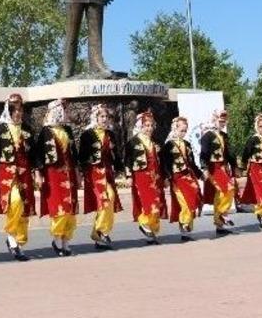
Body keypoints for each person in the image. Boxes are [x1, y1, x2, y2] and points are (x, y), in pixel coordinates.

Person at [0, 93, 35, 261]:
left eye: (20, 109)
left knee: (24, 208)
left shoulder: (27, 128)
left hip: (24, 172)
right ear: (8, 110)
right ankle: (11, 237)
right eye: (14, 109)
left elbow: (34, 153)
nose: (18, 113)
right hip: (6, 172)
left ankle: (17, 243)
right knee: (14, 202)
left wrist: (38, 172)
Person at [34, 99, 79, 257]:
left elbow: (73, 153)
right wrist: (38, 174)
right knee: (58, 207)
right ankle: (57, 238)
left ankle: (66, 241)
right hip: (53, 174)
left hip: (69, 173)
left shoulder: (67, 130)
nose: (65, 113)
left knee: (70, 208)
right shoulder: (45, 132)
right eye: (62, 110)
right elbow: (38, 155)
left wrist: (77, 173)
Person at [79, 104, 123, 250]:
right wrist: (81, 173)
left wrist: (120, 168)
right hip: (94, 173)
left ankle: (99, 233)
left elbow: (116, 154)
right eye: (102, 116)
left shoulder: (110, 134)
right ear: (95, 117)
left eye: (107, 117)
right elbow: (82, 156)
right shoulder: (87, 134)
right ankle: (101, 231)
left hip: (107, 173)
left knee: (110, 199)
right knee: (105, 199)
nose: (105, 119)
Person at [125, 111, 166, 245]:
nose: (149, 128)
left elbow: (162, 161)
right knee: (149, 203)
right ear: (140, 126)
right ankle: (143, 223)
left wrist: (165, 177)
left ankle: (151, 232)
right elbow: (128, 160)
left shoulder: (155, 141)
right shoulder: (133, 142)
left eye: (151, 125)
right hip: (141, 176)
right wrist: (128, 176)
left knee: (157, 203)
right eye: (146, 126)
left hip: (155, 176)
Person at [161, 116, 204, 242]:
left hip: (188, 177)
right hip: (177, 178)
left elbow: (192, 163)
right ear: (174, 129)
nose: (183, 133)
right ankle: (184, 223)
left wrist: (200, 174)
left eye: (185, 131)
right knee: (184, 202)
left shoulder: (187, 144)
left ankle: (186, 229)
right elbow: (164, 164)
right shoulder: (168, 145)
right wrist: (166, 177)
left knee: (192, 200)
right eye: (181, 130)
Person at [199, 110, 238, 235]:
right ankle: (222, 213)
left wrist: (235, 166)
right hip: (213, 168)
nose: (222, 123)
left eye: (224, 121)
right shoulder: (208, 136)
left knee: (223, 192)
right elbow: (203, 154)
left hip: (223, 168)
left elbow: (229, 153)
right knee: (226, 189)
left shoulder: (224, 136)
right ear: (214, 121)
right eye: (220, 121)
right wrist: (204, 168)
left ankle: (219, 224)